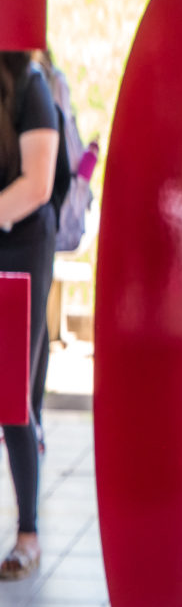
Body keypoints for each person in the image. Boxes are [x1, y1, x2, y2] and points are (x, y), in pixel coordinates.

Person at [0, 50, 60, 580]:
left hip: (20, 247)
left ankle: (28, 533)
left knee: (12, 394)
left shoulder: (29, 83)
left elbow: (38, 185)